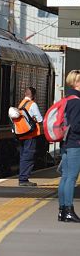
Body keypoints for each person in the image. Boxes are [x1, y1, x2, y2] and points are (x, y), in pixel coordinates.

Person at [58, 70, 80, 223]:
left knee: (65, 177)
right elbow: (77, 125)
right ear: (77, 82)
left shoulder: (66, 99)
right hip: (75, 143)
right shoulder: (77, 101)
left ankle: (62, 211)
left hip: (65, 143)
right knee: (71, 178)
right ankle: (69, 210)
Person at [18, 87, 43, 187]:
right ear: (33, 96)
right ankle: (23, 179)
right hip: (30, 135)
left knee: (23, 156)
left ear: (25, 94)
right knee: (28, 156)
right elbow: (40, 119)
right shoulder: (32, 104)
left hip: (21, 134)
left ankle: (22, 177)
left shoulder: (21, 103)